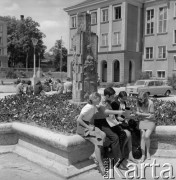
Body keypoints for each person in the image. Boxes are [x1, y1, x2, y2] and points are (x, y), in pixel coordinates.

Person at [94, 87, 128, 170]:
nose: (114, 97)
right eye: (112, 96)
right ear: (107, 95)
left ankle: (116, 156)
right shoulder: (100, 100)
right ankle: (118, 162)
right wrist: (118, 112)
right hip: (99, 123)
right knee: (114, 137)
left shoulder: (108, 100)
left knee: (120, 134)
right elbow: (105, 111)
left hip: (106, 121)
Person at [76, 92, 106, 175]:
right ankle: (100, 165)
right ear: (95, 99)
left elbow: (98, 107)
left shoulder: (93, 106)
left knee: (103, 134)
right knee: (98, 141)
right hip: (82, 128)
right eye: (99, 99)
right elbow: (79, 120)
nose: (100, 101)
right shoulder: (88, 107)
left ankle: (93, 154)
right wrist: (88, 127)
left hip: (88, 125)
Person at [111, 91, 138, 163]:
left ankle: (130, 155)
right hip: (116, 123)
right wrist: (122, 119)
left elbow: (123, 114)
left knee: (130, 134)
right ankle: (122, 153)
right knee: (128, 134)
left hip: (122, 122)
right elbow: (113, 116)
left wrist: (128, 116)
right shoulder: (115, 103)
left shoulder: (124, 103)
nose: (124, 100)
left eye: (125, 99)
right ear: (119, 98)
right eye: (123, 99)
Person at [136, 92, 155, 163]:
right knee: (143, 136)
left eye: (141, 99)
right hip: (142, 121)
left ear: (145, 98)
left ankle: (148, 152)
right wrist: (145, 115)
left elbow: (152, 116)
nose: (140, 100)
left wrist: (141, 114)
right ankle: (143, 155)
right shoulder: (138, 102)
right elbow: (137, 113)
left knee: (147, 136)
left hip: (150, 121)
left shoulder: (150, 103)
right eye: (139, 99)